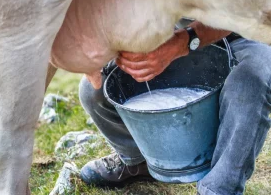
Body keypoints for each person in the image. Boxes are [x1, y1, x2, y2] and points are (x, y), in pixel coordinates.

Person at [78, 20, 271, 195]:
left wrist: (183, 43)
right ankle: (139, 161)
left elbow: (241, 14)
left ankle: (219, 189)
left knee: (250, 85)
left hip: (248, 34)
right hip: (174, 31)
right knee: (94, 89)